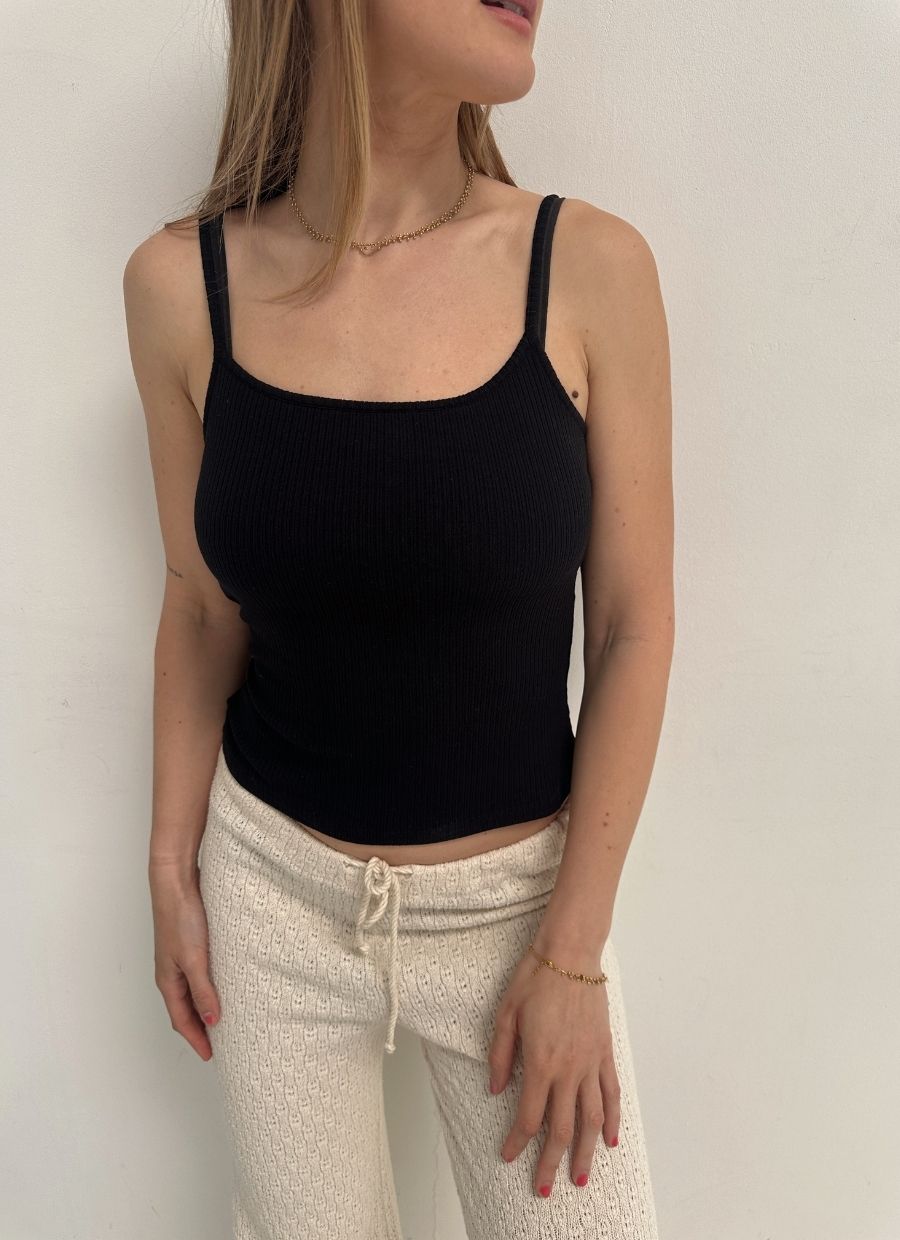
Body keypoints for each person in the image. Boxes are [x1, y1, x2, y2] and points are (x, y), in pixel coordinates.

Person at [123, 0, 673, 1235]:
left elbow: (631, 626)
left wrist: (572, 949)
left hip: (518, 914)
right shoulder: (179, 286)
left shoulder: (588, 268)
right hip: (269, 893)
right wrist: (168, 863)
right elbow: (202, 606)